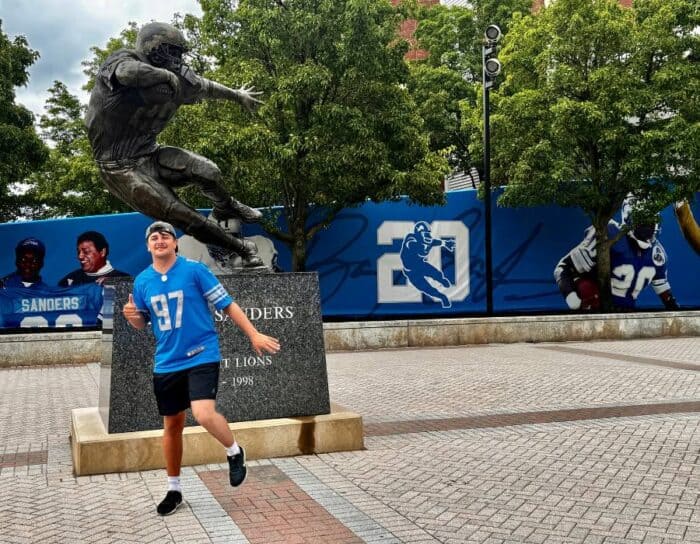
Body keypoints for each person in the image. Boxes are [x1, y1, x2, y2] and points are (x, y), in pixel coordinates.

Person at [122, 221, 280, 516]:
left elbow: (228, 304)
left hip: (201, 354)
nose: (160, 240)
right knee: (172, 426)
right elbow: (142, 322)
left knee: (204, 413)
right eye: (153, 237)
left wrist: (254, 334)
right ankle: (174, 488)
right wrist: (131, 316)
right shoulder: (142, 281)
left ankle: (234, 451)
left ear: (175, 243)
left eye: (165, 236)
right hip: (167, 361)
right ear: (147, 246)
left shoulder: (195, 270)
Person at [85, 21, 265, 269]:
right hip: (119, 166)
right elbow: (126, 73)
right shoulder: (124, 59)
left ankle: (226, 206)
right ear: (153, 48)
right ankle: (244, 251)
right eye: (173, 51)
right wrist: (164, 75)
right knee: (181, 213)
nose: (178, 59)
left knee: (208, 171)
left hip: (149, 153)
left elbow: (207, 87)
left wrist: (237, 95)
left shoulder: (181, 77)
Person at [554, 198, 679, 312]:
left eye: (651, 220)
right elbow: (563, 268)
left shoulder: (657, 253)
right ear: (628, 218)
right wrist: (574, 301)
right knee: (587, 288)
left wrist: (674, 308)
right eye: (642, 220)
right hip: (596, 307)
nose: (648, 225)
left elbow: (662, 288)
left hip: (626, 312)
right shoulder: (610, 234)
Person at [399, 221, 455, 308]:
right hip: (411, 272)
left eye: (428, 233)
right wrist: (427, 244)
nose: (428, 236)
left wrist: (445, 243)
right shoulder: (411, 239)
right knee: (427, 288)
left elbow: (434, 241)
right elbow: (420, 251)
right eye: (425, 233)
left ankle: (442, 280)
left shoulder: (424, 240)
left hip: (420, 264)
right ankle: (442, 297)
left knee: (436, 273)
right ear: (419, 233)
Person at [58, 231, 130, 286]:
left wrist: (114, 286)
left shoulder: (124, 280)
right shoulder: (69, 280)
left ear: (102, 252)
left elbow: (128, 304)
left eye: (86, 251)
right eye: (78, 252)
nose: (80, 256)